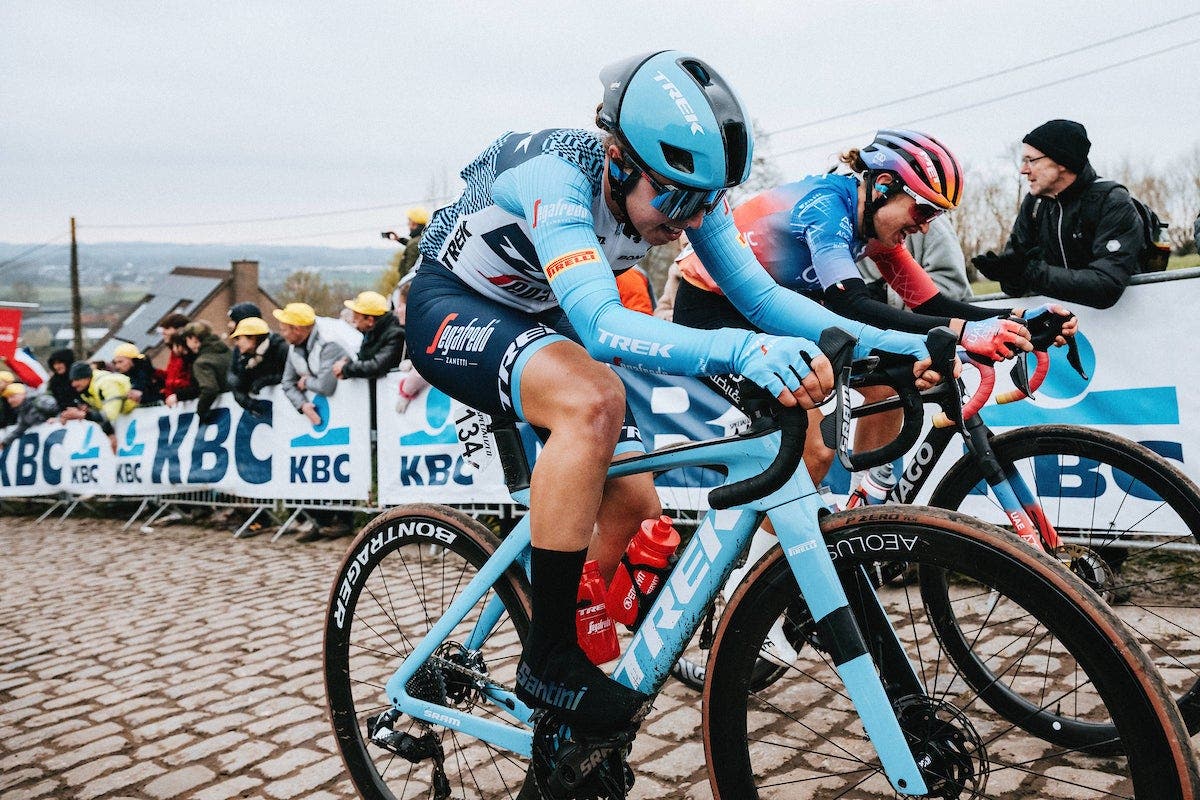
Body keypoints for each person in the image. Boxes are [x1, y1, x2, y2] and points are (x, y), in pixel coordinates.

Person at [405, 51, 942, 739]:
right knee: (593, 401)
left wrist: (915, 345)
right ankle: (548, 659)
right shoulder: (557, 178)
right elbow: (602, 327)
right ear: (619, 161)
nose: (691, 217)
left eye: (706, 201)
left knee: (634, 505)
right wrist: (744, 350)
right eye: (677, 199)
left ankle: (564, 656)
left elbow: (762, 298)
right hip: (453, 303)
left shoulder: (690, 195)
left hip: (541, 310)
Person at [673, 129, 1058, 492]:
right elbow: (852, 305)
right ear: (884, 185)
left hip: (773, 316)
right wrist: (964, 331)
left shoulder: (874, 231)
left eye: (934, 217)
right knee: (813, 448)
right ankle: (764, 542)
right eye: (923, 211)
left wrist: (1017, 319)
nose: (925, 227)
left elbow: (931, 304)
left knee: (888, 387)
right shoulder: (825, 208)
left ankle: (865, 506)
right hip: (712, 313)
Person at [972, 119, 1144, 309]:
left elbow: (1106, 285)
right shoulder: (1034, 204)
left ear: (1062, 161)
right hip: (1063, 324)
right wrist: (1008, 274)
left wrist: (1030, 272)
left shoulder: (1112, 201)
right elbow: (1016, 286)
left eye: (1031, 160)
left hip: (1129, 321)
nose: (1023, 170)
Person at [276, 302, 348, 428]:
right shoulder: (293, 347)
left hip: (348, 410)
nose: (282, 334)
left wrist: (306, 382)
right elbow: (287, 382)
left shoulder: (329, 342)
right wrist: (302, 404)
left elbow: (326, 386)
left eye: (284, 330)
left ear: (297, 329)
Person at [59, 362, 135, 452]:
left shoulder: (106, 383)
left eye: (76, 379)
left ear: (87, 377)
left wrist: (82, 415)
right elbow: (100, 414)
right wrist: (110, 434)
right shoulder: (87, 391)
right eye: (72, 381)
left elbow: (109, 415)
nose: (73, 384)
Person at [333, 291, 405, 380]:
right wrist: (349, 361)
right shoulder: (372, 331)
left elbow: (377, 366)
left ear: (370, 320)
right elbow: (364, 357)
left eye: (356, 318)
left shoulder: (396, 335)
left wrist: (346, 369)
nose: (353, 321)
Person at [227, 316, 288, 418]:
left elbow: (290, 376)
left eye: (238, 338)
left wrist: (265, 381)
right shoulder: (245, 359)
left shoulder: (280, 349)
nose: (236, 343)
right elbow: (239, 382)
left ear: (253, 338)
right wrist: (248, 402)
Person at [181, 321, 232, 423]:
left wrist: (201, 412)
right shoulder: (228, 351)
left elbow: (210, 389)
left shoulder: (201, 363)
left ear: (193, 339)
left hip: (226, 416)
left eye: (187, 340)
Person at [0, 383, 59, 451]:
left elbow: (60, 411)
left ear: (23, 394)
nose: (9, 400)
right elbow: (20, 428)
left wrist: (57, 419)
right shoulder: (22, 412)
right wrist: (4, 443)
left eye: (12, 396)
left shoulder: (41, 401)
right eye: (7, 398)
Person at [160, 313, 195, 404]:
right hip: (177, 404)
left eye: (167, 328)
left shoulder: (188, 353)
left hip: (187, 403)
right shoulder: (174, 353)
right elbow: (170, 376)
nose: (163, 332)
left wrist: (179, 395)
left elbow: (191, 382)